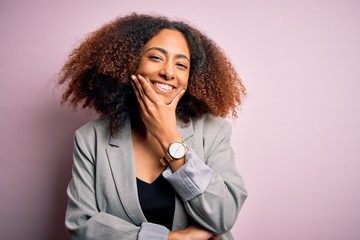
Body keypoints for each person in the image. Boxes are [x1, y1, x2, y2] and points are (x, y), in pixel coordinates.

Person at [58, 13, 247, 240]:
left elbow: (222, 217)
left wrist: (168, 137)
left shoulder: (214, 131)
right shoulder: (91, 138)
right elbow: (82, 225)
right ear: (129, 63)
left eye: (181, 64)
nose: (168, 72)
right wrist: (174, 239)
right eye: (156, 58)